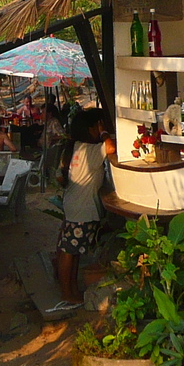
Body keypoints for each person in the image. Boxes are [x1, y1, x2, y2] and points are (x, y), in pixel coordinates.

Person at [54, 107, 113, 311]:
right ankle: (67, 293)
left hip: (73, 204)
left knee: (70, 251)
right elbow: (111, 147)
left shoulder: (73, 148)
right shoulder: (90, 151)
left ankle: (70, 290)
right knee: (70, 252)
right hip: (82, 209)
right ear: (92, 128)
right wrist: (104, 132)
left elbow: (59, 177)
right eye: (98, 126)